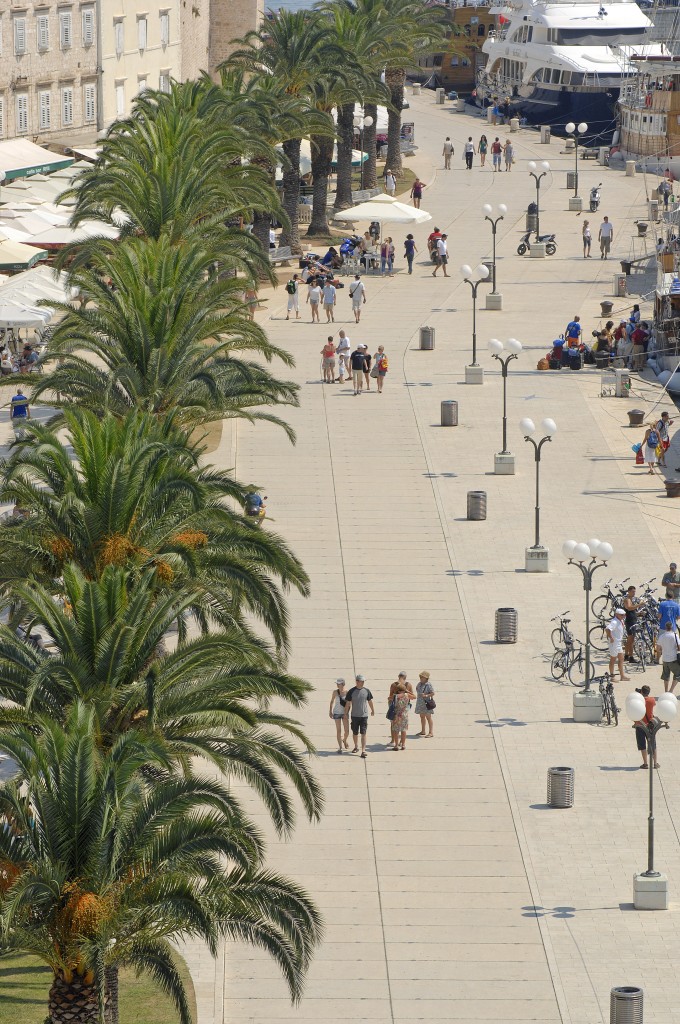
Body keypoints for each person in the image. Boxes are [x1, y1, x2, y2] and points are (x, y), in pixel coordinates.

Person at [344, 674, 374, 757]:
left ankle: (363, 751)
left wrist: (372, 710)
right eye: (362, 681)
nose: (363, 682)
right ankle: (356, 746)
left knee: (363, 733)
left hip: (364, 716)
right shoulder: (351, 691)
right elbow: (347, 703)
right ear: (357, 681)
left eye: (364, 681)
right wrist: (345, 714)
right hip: (354, 716)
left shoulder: (367, 691)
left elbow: (370, 701)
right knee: (355, 732)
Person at [632, 685, 659, 769]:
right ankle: (655, 763)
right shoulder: (652, 700)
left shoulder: (638, 701)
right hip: (650, 725)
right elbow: (652, 705)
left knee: (642, 745)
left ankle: (645, 763)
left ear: (641, 692)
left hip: (639, 724)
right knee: (653, 744)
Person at [386, 671, 415, 745]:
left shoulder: (393, 684)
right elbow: (413, 697)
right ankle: (402, 742)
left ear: (398, 676)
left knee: (393, 724)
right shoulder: (408, 685)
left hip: (395, 706)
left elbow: (390, 696)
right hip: (405, 707)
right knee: (403, 727)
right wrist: (406, 692)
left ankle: (393, 741)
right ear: (405, 677)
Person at [606, 607, 629, 682]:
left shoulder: (620, 620)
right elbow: (608, 629)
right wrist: (611, 637)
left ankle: (622, 676)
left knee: (621, 658)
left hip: (618, 642)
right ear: (617, 615)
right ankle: (612, 676)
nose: (623, 616)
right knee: (613, 659)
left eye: (624, 615)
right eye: (622, 615)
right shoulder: (614, 622)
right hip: (614, 643)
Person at [623, 585, 644, 664]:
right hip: (630, 622)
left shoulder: (631, 599)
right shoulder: (627, 599)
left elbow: (631, 611)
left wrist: (638, 613)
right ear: (628, 592)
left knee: (629, 640)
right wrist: (639, 605)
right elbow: (629, 608)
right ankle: (631, 657)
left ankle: (626, 655)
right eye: (632, 592)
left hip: (632, 620)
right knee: (631, 640)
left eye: (634, 591)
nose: (634, 593)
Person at [657, 623, 680, 692]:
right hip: (673, 659)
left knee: (666, 677)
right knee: (678, 674)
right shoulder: (675, 636)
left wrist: (663, 650)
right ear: (672, 627)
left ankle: (666, 691)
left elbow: (658, 649)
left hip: (665, 659)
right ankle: (671, 690)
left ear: (665, 627)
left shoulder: (661, 636)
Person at [329, 678, 350, 752]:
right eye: (337, 683)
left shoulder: (347, 692)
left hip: (345, 714)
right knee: (338, 730)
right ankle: (340, 747)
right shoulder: (335, 692)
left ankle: (344, 740)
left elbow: (349, 704)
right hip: (337, 713)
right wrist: (330, 711)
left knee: (347, 731)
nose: (337, 685)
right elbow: (331, 701)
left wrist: (346, 713)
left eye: (339, 683)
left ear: (343, 684)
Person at [390, 683, 411, 751]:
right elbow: (414, 696)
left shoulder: (395, 696)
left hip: (397, 715)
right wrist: (407, 691)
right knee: (403, 730)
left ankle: (396, 745)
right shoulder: (407, 695)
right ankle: (403, 745)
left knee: (396, 731)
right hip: (404, 715)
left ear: (398, 690)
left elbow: (389, 699)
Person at [415, 671, 435, 737]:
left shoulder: (428, 684)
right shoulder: (419, 683)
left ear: (426, 678)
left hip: (426, 703)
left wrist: (426, 695)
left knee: (428, 717)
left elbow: (432, 693)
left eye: (422, 677)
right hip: (420, 703)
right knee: (422, 717)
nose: (420, 678)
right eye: (420, 677)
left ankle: (431, 732)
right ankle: (423, 731)